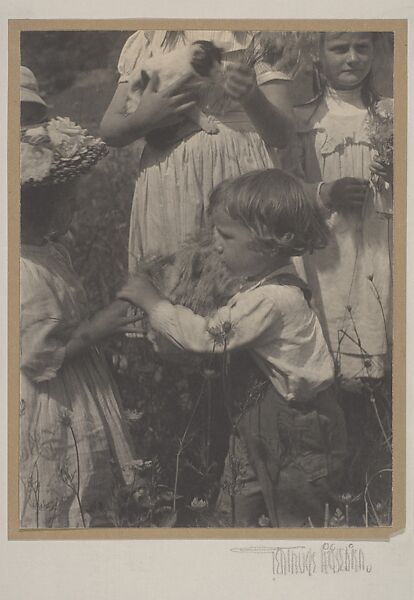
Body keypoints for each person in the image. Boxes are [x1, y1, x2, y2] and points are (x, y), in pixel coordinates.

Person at [118, 169, 347, 527]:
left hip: (295, 430)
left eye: (225, 235)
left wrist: (154, 304)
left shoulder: (273, 299)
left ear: (274, 240)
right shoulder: (260, 290)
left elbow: (210, 337)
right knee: (239, 505)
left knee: (297, 518)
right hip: (257, 421)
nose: (216, 244)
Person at [20, 117, 142, 528]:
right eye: (69, 198)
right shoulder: (20, 270)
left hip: (78, 380)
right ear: (45, 206)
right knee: (59, 476)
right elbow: (36, 354)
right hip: (51, 395)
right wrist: (95, 329)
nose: (75, 205)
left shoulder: (50, 252)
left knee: (91, 478)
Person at [100, 30, 296, 269]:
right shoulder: (151, 39)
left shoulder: (257, 33)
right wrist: (143, 118)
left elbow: (283, 135)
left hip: (240, 177)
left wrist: (251, 96)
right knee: (177, 276)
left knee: (245, 282)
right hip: (171, 182)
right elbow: (110, 129)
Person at [290, 32, 393, 381]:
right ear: (316, 55)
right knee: (328, 328)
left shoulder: (392, 112)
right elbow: (283, 188)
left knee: (374, 311)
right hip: (325, 249)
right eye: (339, 48)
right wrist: (326, 192)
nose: (353, 58)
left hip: (379, 247)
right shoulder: (303, 120)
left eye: (362, 48)